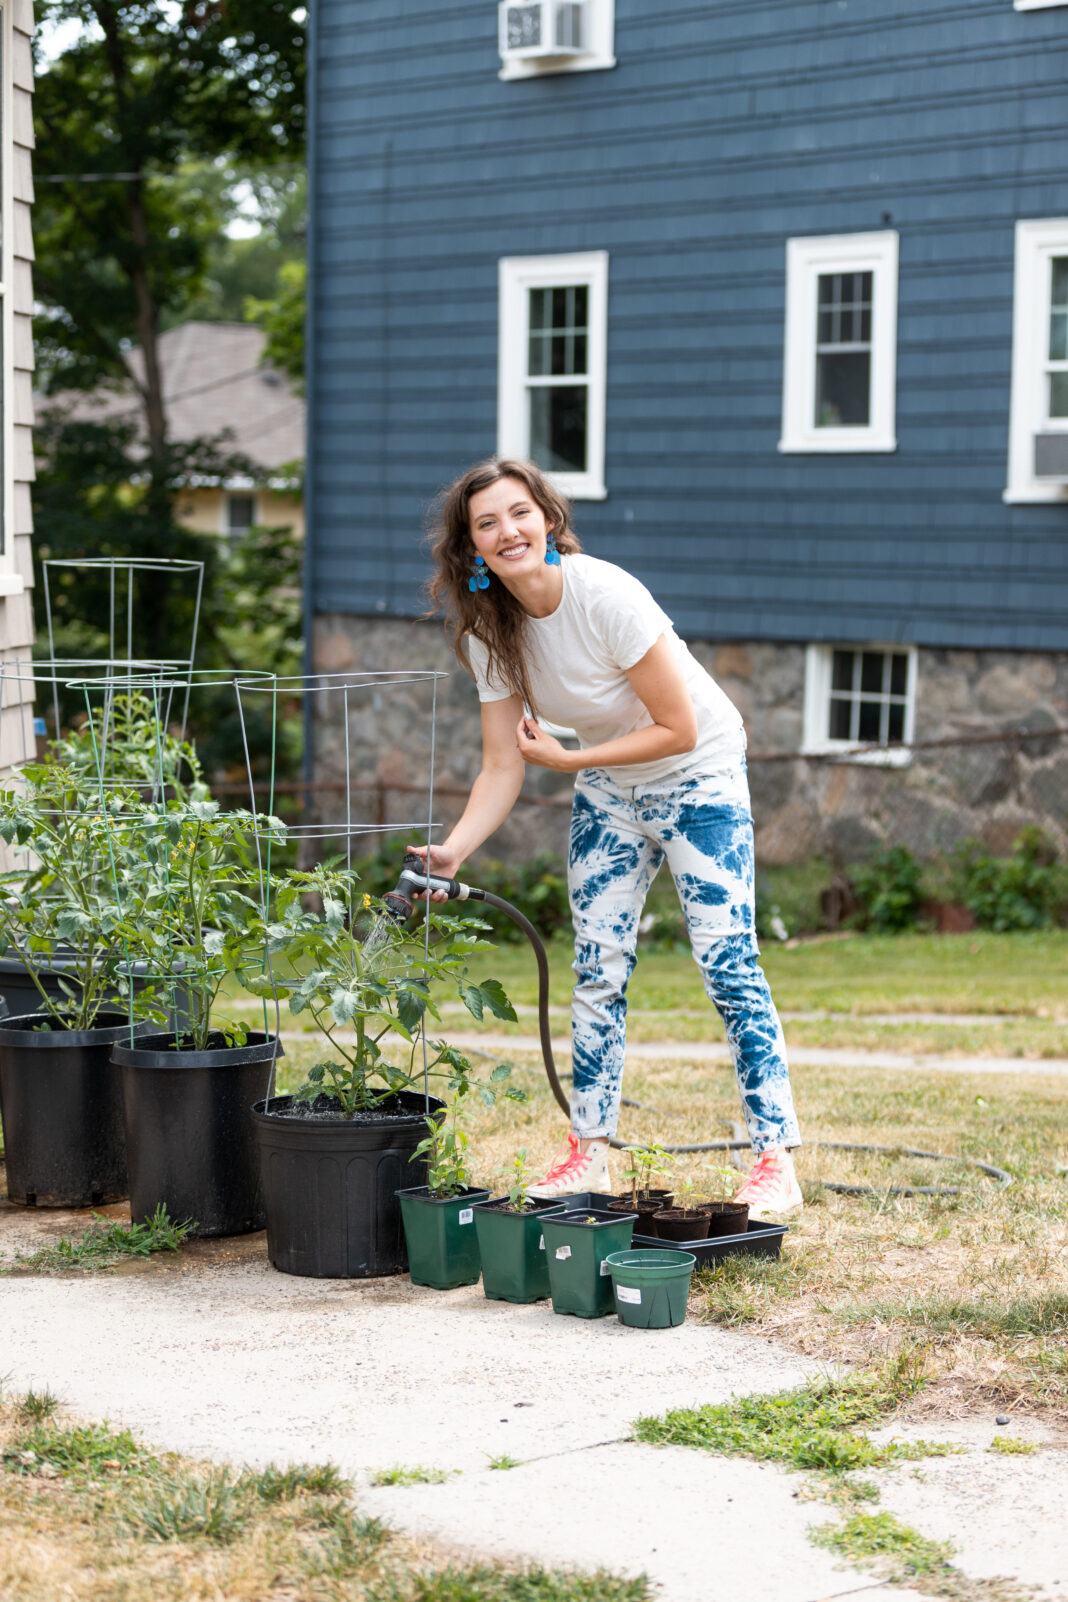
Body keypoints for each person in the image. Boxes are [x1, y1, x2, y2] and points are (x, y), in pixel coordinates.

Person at [413, 457, 802, 1217]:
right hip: (611, 788)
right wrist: (456, 846)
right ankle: (589, 1153)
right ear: (472, 551)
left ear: (547, 519)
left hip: (698, 774)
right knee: (596, 965)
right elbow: (501, 763)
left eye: (519, 512)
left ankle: (774, 1159)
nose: (507, 530)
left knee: (727, 961)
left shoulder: (606, 595)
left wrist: (572, 758)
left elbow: (676, 726)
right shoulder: (493, 632)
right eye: (486, 523)